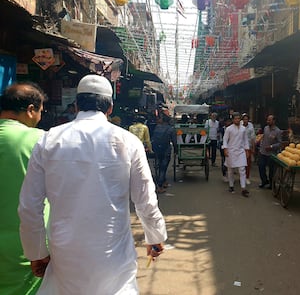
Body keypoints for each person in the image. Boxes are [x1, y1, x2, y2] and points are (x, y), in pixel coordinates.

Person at [18, 74, 168, 295]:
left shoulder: (49, 141)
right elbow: (145, 200)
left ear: (77, 105)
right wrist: (155, 237)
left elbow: (30, 206)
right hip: (113, 255)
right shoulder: (128, 142)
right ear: (110, 108)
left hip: (65, 255)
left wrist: (37, 252)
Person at [0, 82, 47, 295]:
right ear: (30, 110)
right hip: (25, 248)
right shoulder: (40, 141)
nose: (40, 118)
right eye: (40, 112)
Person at [222, 112, 250, 197]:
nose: (237, 120)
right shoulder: (229, 129)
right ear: (233, 119)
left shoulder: (243, 129)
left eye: (238, 118)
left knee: (242, 169)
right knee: (230, 170)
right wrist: (225, 149)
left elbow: (245, 140)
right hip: (231, 151)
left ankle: (243, 188)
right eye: (235, 118)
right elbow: (225, 140)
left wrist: (247, 150)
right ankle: (231, 185)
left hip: (241, 151)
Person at [152, 113, 177, 193]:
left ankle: (162, 180)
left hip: (157, 149)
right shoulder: (171, 129)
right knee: (163, 167)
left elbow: (153, 138)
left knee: (159, 165)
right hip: (166, 149)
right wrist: (176, 150)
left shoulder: (157, 127)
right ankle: (159, 185)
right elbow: (174, 141)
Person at [258, 114, 283, 188]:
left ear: (274, 121)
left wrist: (271, 146)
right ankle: (264, 181)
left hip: (271, 154)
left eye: (269, 120)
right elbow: (263, 138)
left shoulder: (278, 131)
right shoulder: (265, 128)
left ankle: (271, 184)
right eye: (267, 120)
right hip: (263, 152)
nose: (267, 121)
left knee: (271, 170)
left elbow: (279, 143)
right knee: (261, 166)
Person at [242, 113, 255, 185]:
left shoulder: (251, 126)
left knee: (248, 163)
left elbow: (253, 137)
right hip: (240, 147)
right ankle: (242, 176)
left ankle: (247, 177)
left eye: (246, 119)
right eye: (244, 119)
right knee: (241, 163)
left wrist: (253, 148)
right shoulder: (240, 125)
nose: (245, 120)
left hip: (248, 147)